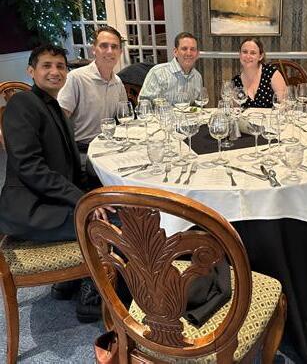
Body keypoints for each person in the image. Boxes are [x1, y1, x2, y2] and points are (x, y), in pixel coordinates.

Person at [0, 44, 107, 322]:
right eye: (46, 65)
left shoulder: (57, 109)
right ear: (31, 71)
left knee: (108, 205)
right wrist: (82, 201)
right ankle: (90, 295)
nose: (55, 71)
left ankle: (67, 282)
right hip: (29, 209)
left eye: (60, 66)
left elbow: (70, 167)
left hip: (49, 201)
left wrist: (93, 196)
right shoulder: (22, 104)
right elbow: (30, 168)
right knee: (108, 225)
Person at [58, 25, 127, 154]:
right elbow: (59, 120)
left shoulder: (117, 82)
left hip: (108, 145)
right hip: (81, 150)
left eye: (114, 47)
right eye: (104, 46)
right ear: (94, 49)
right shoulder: (76, 78)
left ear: (120, 52)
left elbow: (123, 117)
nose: (110, 51)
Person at [138, 31, 202, 105]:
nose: (189, 53)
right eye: (184, 49)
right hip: (161, 113)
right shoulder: (158, 72)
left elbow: (198, 105)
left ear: (197, 54)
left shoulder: (197, 77)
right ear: (175, 52)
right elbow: (143, 103)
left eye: (193, 49)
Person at [232, 37, 286, 108]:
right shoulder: (236, 81)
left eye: (253, 53)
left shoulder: (271, 72)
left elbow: (284, 104)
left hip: (271, 115)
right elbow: (234, 110)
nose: (248, 56)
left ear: (260, 56)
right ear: (240, 54)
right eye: (244, 52)